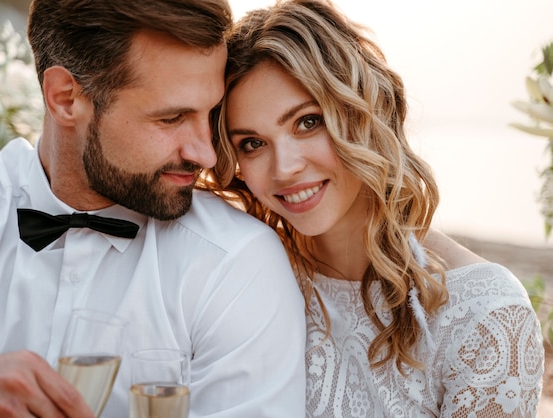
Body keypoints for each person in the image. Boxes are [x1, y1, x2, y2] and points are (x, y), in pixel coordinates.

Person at [0, 0, 307, 416]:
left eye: (210, 112)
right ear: (66, 98)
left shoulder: (236, 264)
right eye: (172, 118)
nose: (206, 155)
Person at [201, 0, 545, 416]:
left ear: (362, 111)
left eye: (308, 121)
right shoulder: (243, 280)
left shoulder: (484, 316)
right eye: (252, 144)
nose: (285, 168)